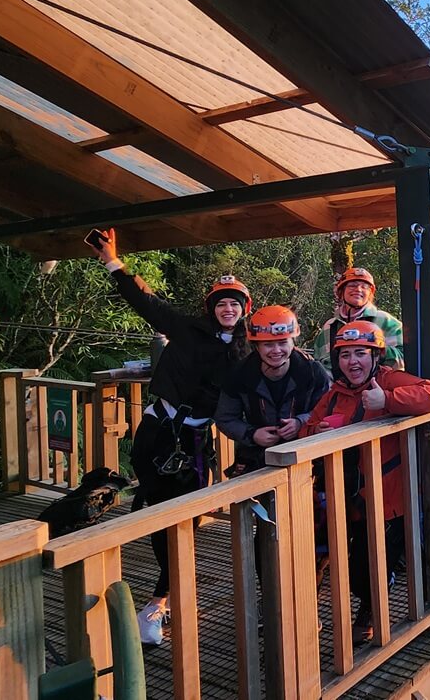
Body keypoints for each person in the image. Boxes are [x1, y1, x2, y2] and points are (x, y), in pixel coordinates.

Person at [87, 228, 250, 645]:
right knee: (163, 514)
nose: (228, 308)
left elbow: (272, 380)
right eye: (221, 302)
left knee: (188, 519)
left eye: (235, 303)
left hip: (196, 442)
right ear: (210, 307)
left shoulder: (251, 351)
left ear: (244, 310)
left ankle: (161, 599)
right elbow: (144, 299)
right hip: (157, 431)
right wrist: (111, 260)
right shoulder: (186, 328)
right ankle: (162, 600)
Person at [301, 320, 430, 643]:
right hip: (342, 495)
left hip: (384, 497)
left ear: (375, 356)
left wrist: (387, 401)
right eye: (346, 355)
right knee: (323, 552)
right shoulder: (335, 395)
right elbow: (305, 430)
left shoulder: (388, 380)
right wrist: (318, 432)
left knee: (368, 566)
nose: (353, 362)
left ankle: (368, 611)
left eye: (361, 353)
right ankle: (314, 608)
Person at [214, 305, 331, 473]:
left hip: (305, 455)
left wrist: (300, 422)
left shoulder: (312, 372)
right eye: (268, 345)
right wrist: (252, 434)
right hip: (257, 458)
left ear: (293, 343)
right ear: (256, 346)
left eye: (283, 343)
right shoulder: (240, 375)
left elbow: (326, 409)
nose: (276, 351)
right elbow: (225, 418)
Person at [310, 267, 404, 373]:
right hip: (336, 388)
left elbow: (407, 360)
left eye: (364, 287)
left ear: (370, 293)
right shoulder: (329, 327)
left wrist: (378, 349)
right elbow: (319, 366)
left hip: (377, 387)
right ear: (341, 291)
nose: (358, 289)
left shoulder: (386, 321)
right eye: (352, 285)